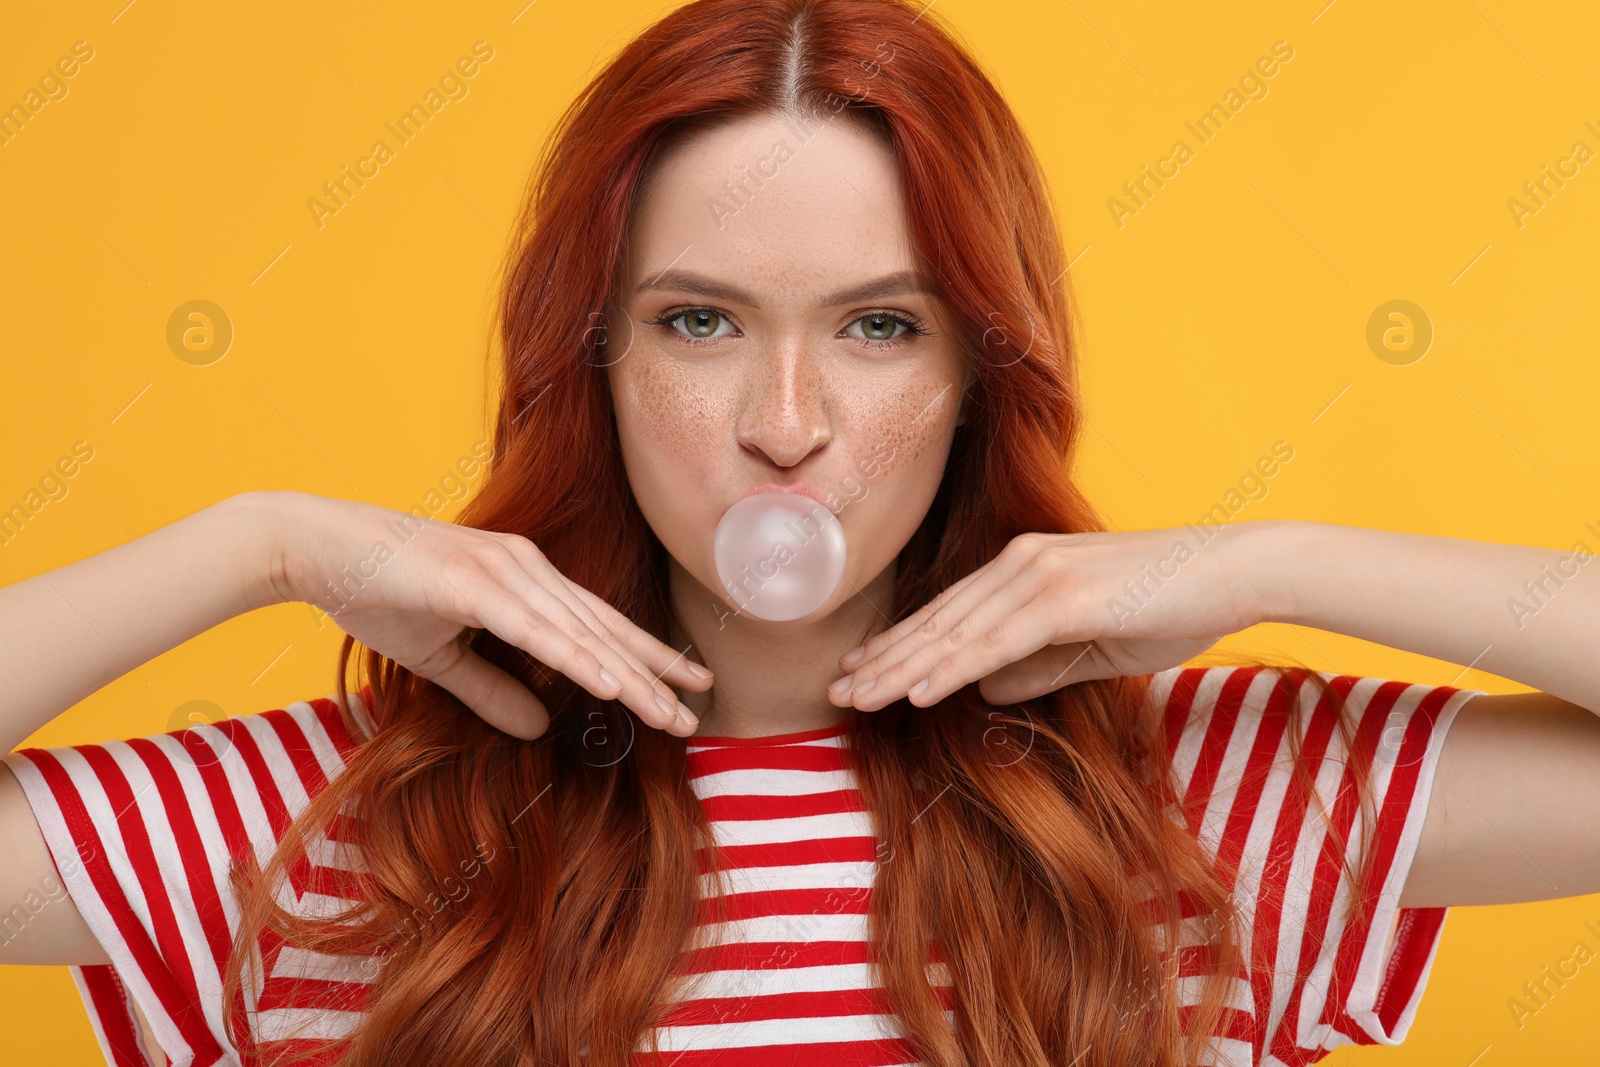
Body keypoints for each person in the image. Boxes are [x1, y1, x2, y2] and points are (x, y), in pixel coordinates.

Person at [3, 0, 1598, 1064]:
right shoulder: (350, 827)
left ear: (983, 372)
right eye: (700, 323)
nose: (786, 419)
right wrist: (256, 543)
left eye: (880, 329)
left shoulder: (1199, 799)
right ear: (597, 363)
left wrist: (1275, 563)